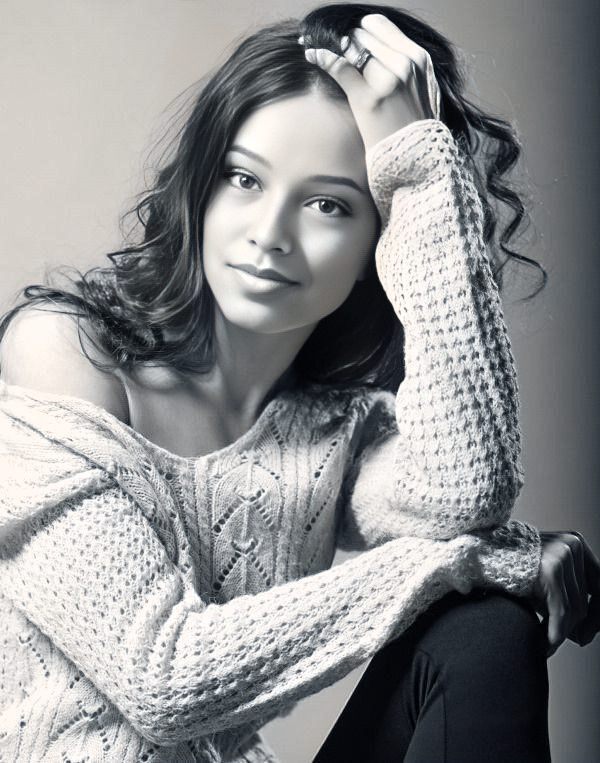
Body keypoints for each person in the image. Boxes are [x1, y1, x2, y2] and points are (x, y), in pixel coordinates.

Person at [0, 3, 598, 762]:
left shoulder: (333, 432)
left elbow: (469, 493)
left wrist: (421, 172)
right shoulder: (65, 351)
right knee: (478, 585)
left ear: (379, 239)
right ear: (201, 188)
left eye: (328, 204)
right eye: (244, 179)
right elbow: (163, 676)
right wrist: (480, 559)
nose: (270, 234)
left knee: (484, 628)